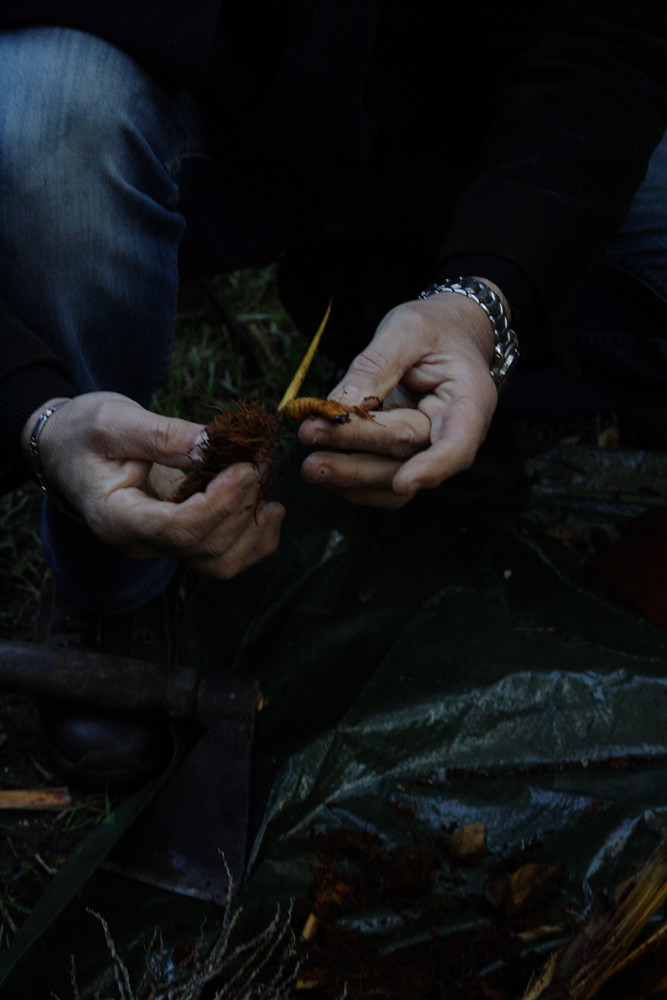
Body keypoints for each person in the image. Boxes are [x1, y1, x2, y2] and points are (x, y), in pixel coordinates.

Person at [2, 2, 667, 783]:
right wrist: (31, 411)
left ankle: (444, 373)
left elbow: (609, 34)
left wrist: (491, 293)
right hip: (194, 104)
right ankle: (110, 577)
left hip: (465, 122)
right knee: (46, 123)